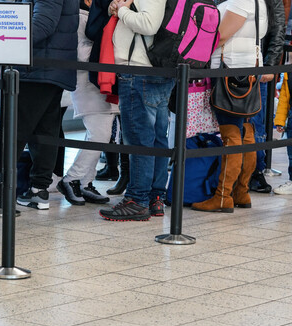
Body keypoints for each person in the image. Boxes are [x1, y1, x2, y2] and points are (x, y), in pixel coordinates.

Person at [99, 0, 175, 221]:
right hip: (154, 71)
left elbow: (149, 24)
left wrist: (121, 10)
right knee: (157, 139)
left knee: (139, 140)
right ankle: (154, 197)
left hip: (139, 72)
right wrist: (118, 7)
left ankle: (137, 200)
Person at [192, 0, 268, 213]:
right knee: (245, 131)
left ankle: (223, 196)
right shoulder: (258, 1)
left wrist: (195, 51)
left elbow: (221, 35)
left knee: (231, 135)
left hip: (230, 72)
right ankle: (240, 192)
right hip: (247, 69)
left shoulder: (239, 1)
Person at [15, 0, 79, 210]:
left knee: (15, 128)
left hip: (37, 67)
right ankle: (38, 190)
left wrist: (9, 42)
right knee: (45, 130)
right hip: (49, 67)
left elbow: (42, 24)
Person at [58, 0, 118, 206]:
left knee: (99, 133)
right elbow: (78, 51)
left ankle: (85, 182)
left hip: (101, 78)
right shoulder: (78, 14)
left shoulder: (97, 10)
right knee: (100, 134)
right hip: (87, 79)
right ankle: (71, 179)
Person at [247, 0, 285, 194]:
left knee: (256, 122)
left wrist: (270, 66)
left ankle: (255, 171)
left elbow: (278, 27)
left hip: (257, 65)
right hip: (228, 63)